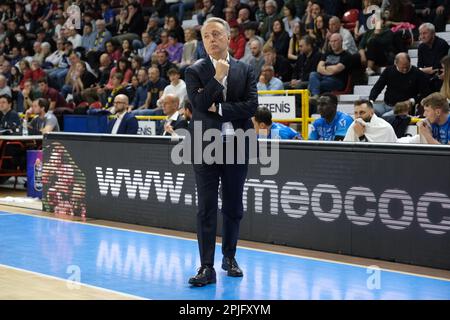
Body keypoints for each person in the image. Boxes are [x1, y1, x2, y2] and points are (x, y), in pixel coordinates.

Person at [185, 17, 258, 287]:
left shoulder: (246, 69)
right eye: (206, 36)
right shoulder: (194, 71)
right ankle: (206, 267)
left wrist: (223, 109)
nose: (211, 40)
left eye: (216, 34)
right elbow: (200, 104)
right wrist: (217, 78)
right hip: (204, 147)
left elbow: (251, 106)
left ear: (229, 37)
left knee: (233, 206)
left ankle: (230, 257)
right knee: (205, 208)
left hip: (237, 145)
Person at [369, 53, 431, 117]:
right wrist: (371, 101)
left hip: (403, 109)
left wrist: (412, 101)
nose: (405, 70)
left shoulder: (418, 73)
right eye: (402, 67)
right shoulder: (388, 71)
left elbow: (425, 93)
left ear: (410, 62)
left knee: (386, 116)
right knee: (367, 112)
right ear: (395, 63)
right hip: (386, 105)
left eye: (407, 67)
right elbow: (377, 87)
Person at [308, 33, 353, 97]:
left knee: (313, 85)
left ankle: (315, 96)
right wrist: (330, 70)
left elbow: (335, 70)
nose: (333, 43)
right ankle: (316, 96)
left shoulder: (346, 56)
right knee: (313, 74)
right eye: (331, 41)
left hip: (337, 81)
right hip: (323, 78)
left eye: (335, 41)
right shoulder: (327, 54)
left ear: (341, 41)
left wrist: (325, 67)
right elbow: (318, 68)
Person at [417, 23, 450, 92]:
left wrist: (423, 70)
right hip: (428, 76)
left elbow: (438, 67)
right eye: (420, 34)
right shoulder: (421, 47)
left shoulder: (441, 44)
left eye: (425, 33)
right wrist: (425, 70)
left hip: (441, 75)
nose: (422, 36)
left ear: (433, 33)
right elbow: (419, 66)